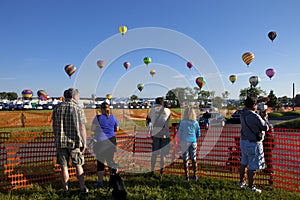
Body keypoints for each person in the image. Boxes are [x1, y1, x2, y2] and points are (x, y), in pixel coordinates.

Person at [52, 88, 88, 197]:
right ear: (74, 96)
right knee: (78, 165)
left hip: (61, 142)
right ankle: (82, 188)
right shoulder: (78, 108)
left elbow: (54, 126)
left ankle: (66, 190)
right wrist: (85, 143)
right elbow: (82, 127)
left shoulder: (57, 108)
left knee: (64, 167)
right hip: (75, 142)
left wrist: (56, 137)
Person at [238, 96, 269, 193]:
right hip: (253, 143)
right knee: (253, 166)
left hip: (243, 141)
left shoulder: (242, 113)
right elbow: (265, 127)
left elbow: (248, 106)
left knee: (244, 162)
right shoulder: (255, 116)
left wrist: (257, 101)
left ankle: (241, 182)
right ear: (254, 106)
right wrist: (265, 117)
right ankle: (251, 187)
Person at [91, 102, 119, 187]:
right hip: (111, 141)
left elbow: (92, 129)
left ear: (101, 109)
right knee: (110, 160)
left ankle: (100, 182)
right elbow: (117, 129)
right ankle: (113, 180)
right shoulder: (114, 117)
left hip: (100, 142)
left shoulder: (98, 118)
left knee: (100, 162)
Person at [146, 97, 171, 177]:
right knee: (163, 155)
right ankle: (161, 172)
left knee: (154, 154)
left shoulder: (152, 111)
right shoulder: (167, 110)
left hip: (155, 134)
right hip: (165, 134)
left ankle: (152, 171)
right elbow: (168, 121)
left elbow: (147, 121)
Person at [177, 107, 200, 181]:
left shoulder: (182, 122)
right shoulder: (195, 122)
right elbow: (198, 133)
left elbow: (179, 132)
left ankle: (187, 176)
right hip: (193, 141)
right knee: (193, 158)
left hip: (184, 141)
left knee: (185, 159)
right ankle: (195, 175)